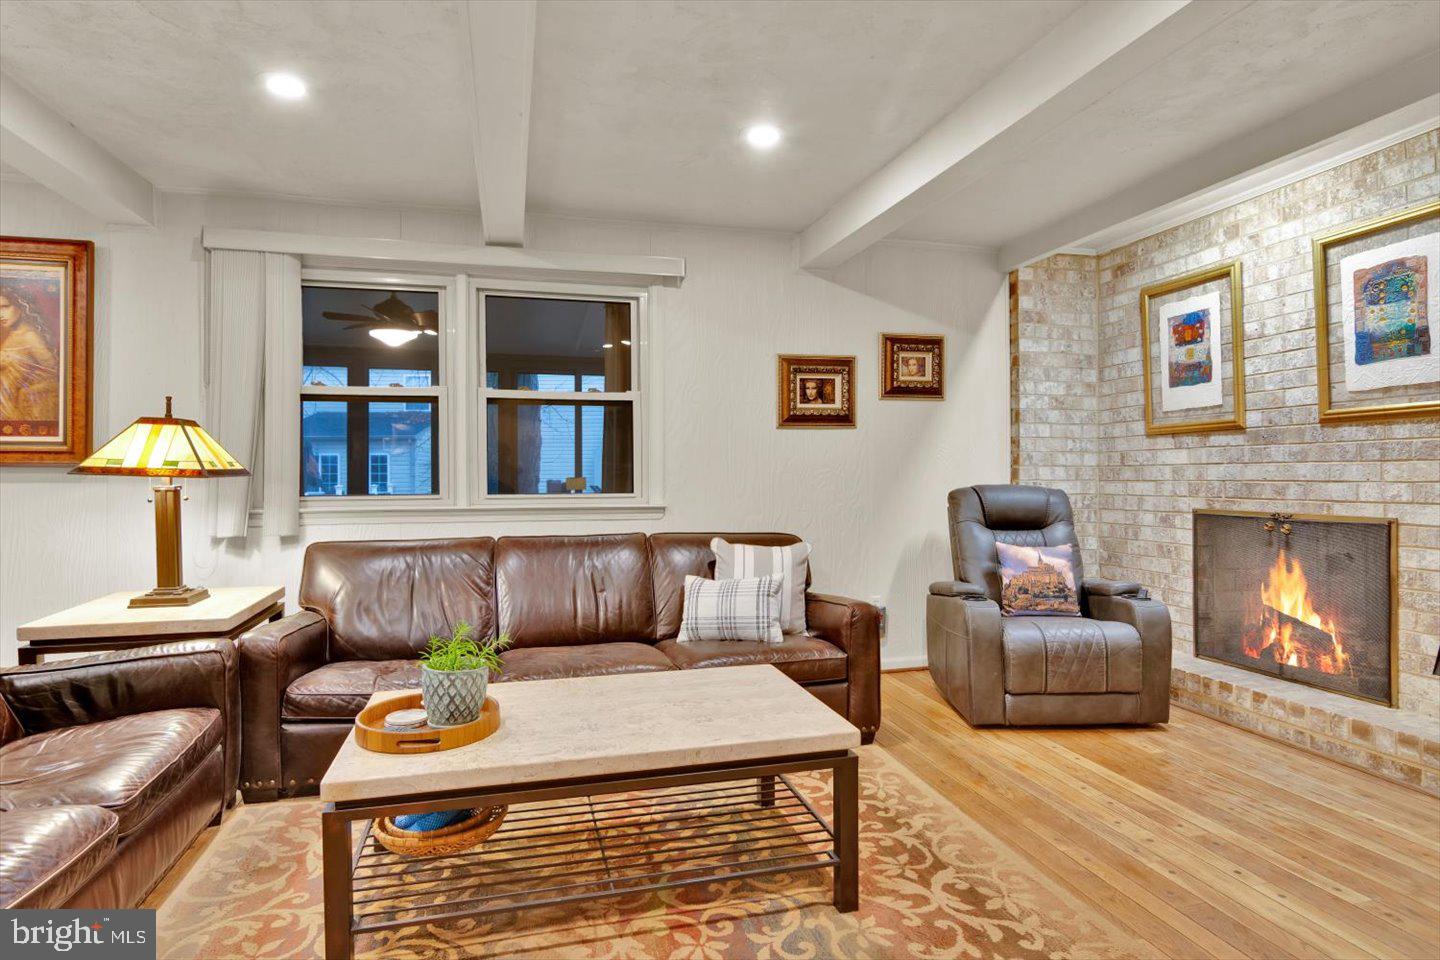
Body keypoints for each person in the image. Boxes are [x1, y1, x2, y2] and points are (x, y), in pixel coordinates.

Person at [0, 283, 60, 428]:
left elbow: (54, 372)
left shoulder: (30, 336)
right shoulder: (12, 335)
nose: (0, 314)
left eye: (5, 307)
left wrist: (29, 391)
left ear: (21, 306)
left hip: (11, 406)